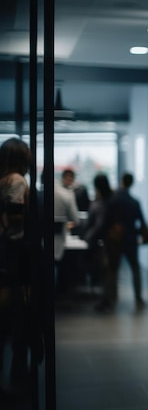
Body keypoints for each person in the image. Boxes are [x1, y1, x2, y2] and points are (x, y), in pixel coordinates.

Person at [0, 138, 32, 396]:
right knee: (19, 317)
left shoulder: (3, 180)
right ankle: (19, 376)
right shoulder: (17, 181)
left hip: (6, 255)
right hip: (14, 256)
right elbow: (15, 220)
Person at [100, 172, 148, 312]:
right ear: (131, 183)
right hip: (131, 239)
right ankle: (138, 298)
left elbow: (106, 221)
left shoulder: (112, 201)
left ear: (122, 181)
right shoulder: (134, 202)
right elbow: (141, 222)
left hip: (115, 240)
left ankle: (110, 299)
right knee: (135, 268)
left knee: (112, 269)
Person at [81, 174, 113, 304]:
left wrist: (87, 238)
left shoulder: (99, 203)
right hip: (108, 241)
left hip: (101, 243)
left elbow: (98, 225)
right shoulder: (111, 199)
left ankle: (105, 300)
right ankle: (107, 298)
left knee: (103, 270)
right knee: (108, 271)